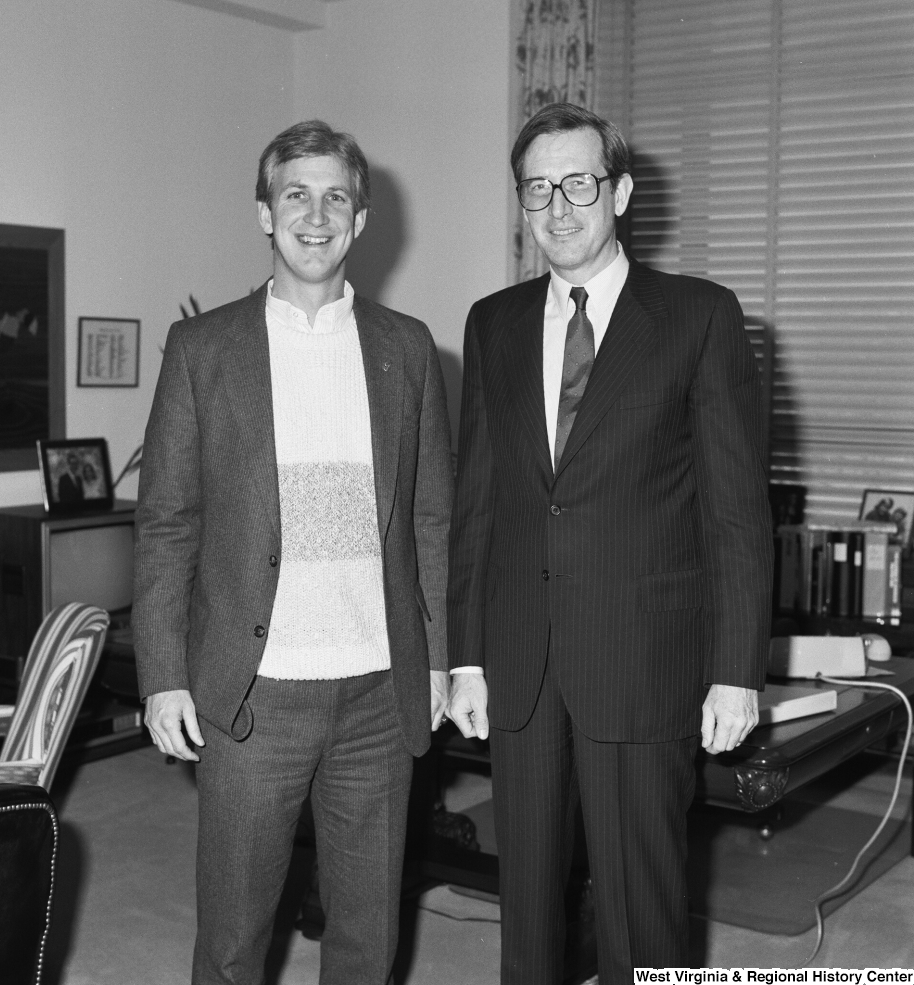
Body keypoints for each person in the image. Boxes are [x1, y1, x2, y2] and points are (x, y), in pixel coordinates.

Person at [446, 103, 773, 984]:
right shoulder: (493, 323)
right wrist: (465, 657)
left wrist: (737, 669)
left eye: (579, 183)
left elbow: (737, 513)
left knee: (641, 918)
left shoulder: (699, 317)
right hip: (520, 665)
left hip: (641, 658)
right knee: (529, 921)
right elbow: (477, 503)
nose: (559, 206)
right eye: (538, 187)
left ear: (620, 191)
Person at [132, 119, 453, 985]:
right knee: (234, 940)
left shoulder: (408, 348)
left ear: (361, 218)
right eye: (296, 195)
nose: (317, 215)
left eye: (336, 197)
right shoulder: (203, 351)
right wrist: (163, 671)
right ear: (265, 215)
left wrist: (438, 660)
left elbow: (430, 519)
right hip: (254, 692)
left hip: (378, 694)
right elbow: (167, 519)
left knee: (366, 939)